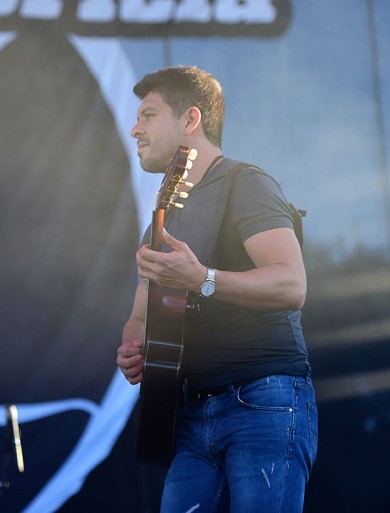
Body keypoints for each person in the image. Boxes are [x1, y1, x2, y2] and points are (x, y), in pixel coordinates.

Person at [116, 66, 317, 512]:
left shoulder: (246, 183)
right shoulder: (163, 215)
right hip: (190, 414)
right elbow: (141, 314)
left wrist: (202, 279)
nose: (135, 129)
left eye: (148, 115)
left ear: (190, 119)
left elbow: (291, 283)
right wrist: (135, 347)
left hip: (263, 401)